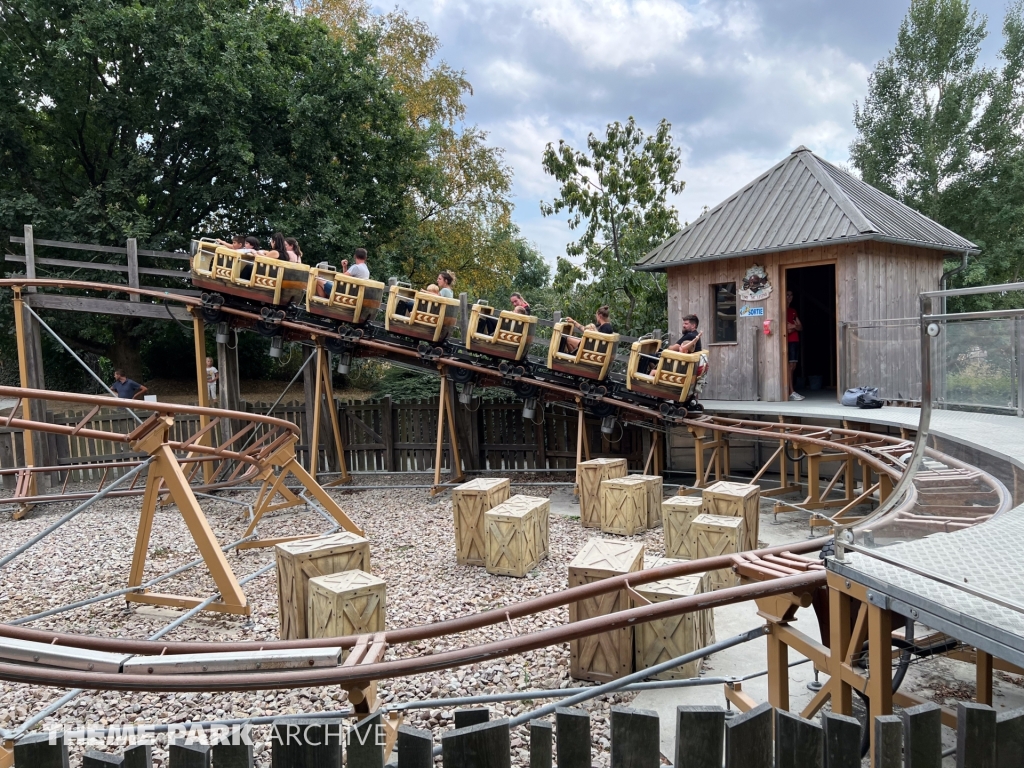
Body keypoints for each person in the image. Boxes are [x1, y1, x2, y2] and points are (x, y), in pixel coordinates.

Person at [786, 289, 804, 401]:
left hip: (795, 341)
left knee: (793, 367)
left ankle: (791, 391)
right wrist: (794, 326)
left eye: (791, 295)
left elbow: (800, 327)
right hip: (787, 341)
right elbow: (785, 329)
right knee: (789, 367)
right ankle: (790, 391)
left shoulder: (793, 310)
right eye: (787, 295)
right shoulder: (781, 310)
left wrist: (792, 326)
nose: (789, 297)